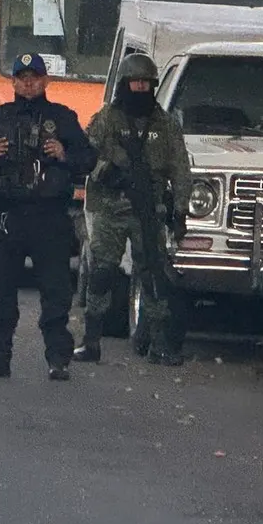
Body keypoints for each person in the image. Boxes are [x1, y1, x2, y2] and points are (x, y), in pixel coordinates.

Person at [0, 53, 96, 381]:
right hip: (7, 216)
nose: (28, 83)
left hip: (47, 217)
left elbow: (88, 158)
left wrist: (64, 155)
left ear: (45, 81)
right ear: (14, 82)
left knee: (55, 293)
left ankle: (58, 359)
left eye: (34, 77)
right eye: (22, 77)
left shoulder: (62, 118)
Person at [77, 53, 191, 366]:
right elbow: (83, 155)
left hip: (148, 210)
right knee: (102, 272)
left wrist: (179, 211)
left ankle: (159, 344)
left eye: (146, 84)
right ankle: (91, 341)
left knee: (153, 274)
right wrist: (106, 172)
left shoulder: (166, 126)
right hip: (110, 207)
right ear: (125, 84)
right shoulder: (107, 119)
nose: (140, 89)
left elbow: (181, 170)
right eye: (135, 83)